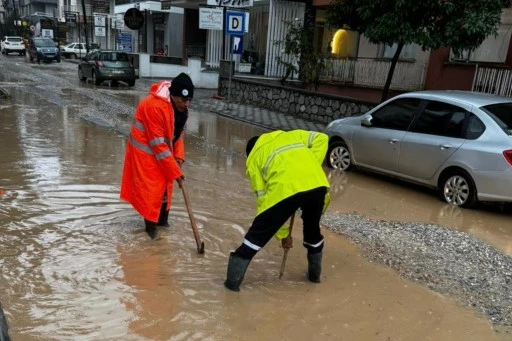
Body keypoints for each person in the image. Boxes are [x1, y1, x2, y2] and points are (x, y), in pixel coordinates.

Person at [224, 129, 331, 291]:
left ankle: (231, 284)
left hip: (286, 190)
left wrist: (282, 235)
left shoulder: (254, 159)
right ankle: (314, 277)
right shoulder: (289, 136)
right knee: (312, 232)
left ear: (250, 151)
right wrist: (310, 166)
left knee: (255, 237)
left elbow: (263, 200)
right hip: (317, 185)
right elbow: (322, 138)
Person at [120, 73, 194, 239]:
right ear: (173, 95)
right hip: (145, 155)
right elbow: (159, 145)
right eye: (183, 100)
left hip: (162, 153)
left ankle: (163, 224)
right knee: (151, 190)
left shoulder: (181, 110)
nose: (187, 104)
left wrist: (179, 157)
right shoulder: (154, 107)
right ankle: (151, 233)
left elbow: (179, 134)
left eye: (189, 100)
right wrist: (176, 172)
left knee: (166, 188)